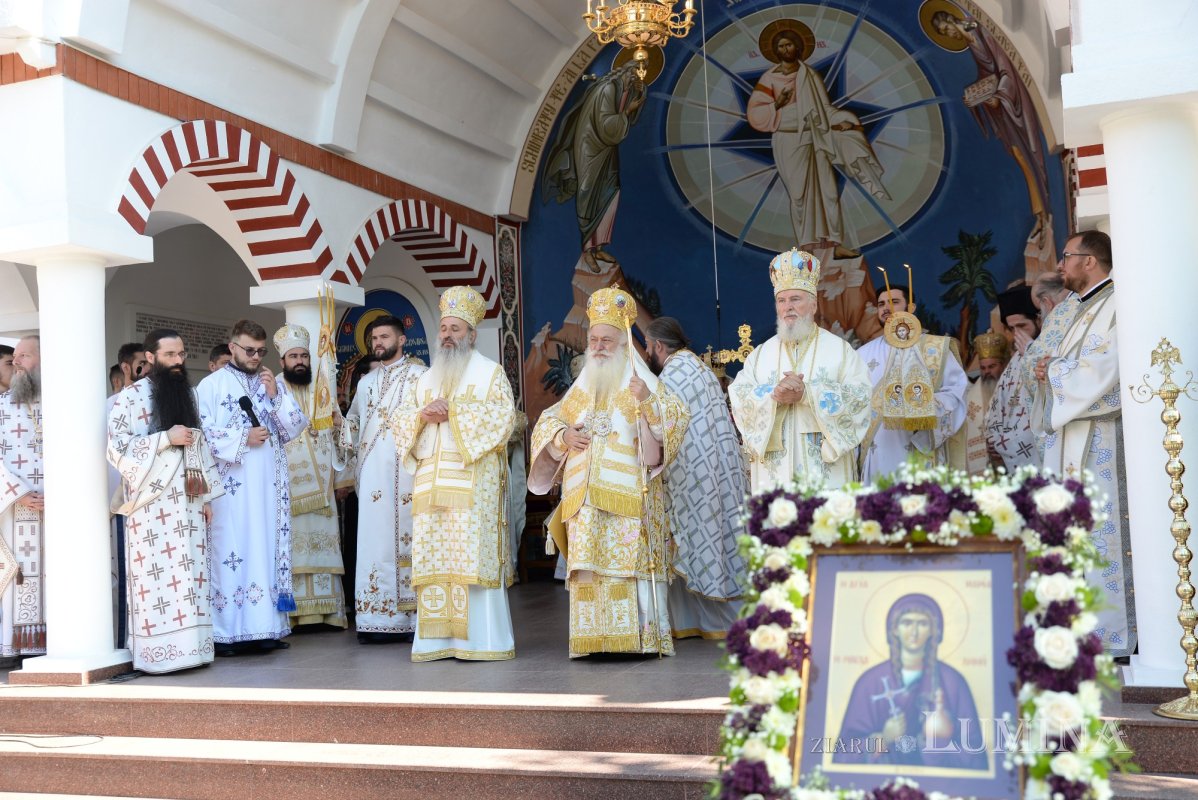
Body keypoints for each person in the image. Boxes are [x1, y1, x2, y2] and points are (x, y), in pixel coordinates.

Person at [529, 287, 689, 658]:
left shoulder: (642, 381)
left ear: (622, 343)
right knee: (589, 569)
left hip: (630, 499)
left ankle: (637, 641)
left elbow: (677, 418)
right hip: (584, 499)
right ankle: (594, 642)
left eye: (607, 340)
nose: (599, 347)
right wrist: (562, 435)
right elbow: (550, 420)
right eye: (594, 340)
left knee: (625, 568)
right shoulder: (583, 386)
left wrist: (648, 403)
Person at [391, 286, 518, 662]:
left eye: (455, 329)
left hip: (473, 487)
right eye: (444, 328)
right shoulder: (426, 378)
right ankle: (435, 641)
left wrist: (455, 414)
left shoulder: (491, 373)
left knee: (470, 564)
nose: (447, 335)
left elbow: (504, 419)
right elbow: (400, 421)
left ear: (472, 334)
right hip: (431, 487)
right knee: (435, 561)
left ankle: (483, 641)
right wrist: (420, 416)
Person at [1031, 231, 1134, 656]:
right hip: (1071, 435)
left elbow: (1105, 368)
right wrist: (1048, 369)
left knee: (1102, 533)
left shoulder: (1118, 304)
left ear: (1089, 261)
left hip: (1101, 440)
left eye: (1067, 257)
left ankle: (1112, 637)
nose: (1060, 266)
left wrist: (1053, 371)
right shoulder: (1079, 308)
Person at [107, 329, 224, 673]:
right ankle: (158, 654)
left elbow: (198, 444)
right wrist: (163, 439)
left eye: (182, 354)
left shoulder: (188, 394)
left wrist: (205, 497)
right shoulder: (130, 398)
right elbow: (117, 450)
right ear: (150, 358)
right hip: (151, 506)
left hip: (188, 501)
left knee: (191, 576)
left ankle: (194, 649)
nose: (178, 361)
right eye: (170, 355)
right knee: (157, 580)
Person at [196, 319, 307, 655]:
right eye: (249, 350)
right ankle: (227, 633)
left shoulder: (269, 383)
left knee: (264, 550)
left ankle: (266, 628)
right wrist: (243, 437)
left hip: (268, 489)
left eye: (261, 351)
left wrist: (275, 396)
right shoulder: (211, 385)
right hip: (231, 489)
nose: (256, 356)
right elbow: (201, 435)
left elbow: (295, 427)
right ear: (232, 348)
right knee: (233, 552)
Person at [729, 249, 872, 491]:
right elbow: (740, 397)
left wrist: (808, 394)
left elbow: (860, 398)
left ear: (814, 305)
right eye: (781, 300)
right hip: (775, 476)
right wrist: (774, 394)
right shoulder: (761, 355)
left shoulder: (840, 351)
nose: (788, 307)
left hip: (827, 476)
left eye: (796, 299)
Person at [746, 22, 890, 259]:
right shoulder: (769, 79)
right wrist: (777, 104)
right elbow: (755, 116)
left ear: (798, 47)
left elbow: (823, 109)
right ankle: (806, 246)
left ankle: (834, 245)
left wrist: (846, 120)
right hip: (788, 140)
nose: (785, 49)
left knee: (828, 192)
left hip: (815, 138)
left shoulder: (809, 75)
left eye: (789, 44)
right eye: (780, 46)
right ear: (774, 50)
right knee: (799, 195)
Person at [646, 317, 746, 639]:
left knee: (696, 544)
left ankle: (712, 623)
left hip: (694, 475)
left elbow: (662, 426)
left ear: (659, 346)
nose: (648, 352)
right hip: (717, 468)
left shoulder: (673, 375)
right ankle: (697, 622)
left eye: (648, 346)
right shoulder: (698, 368)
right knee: (718, 541)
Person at [337, 316, 426, 643]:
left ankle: (411, 618)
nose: (378, 342)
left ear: (401, 340)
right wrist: (337, 421)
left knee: (407, 539)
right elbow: (354, 425)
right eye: (374, 337)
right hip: (373, 475)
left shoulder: (421, 378)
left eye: (384, 336)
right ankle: (376, 618)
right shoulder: (366, 382)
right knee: (375, 542)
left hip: (406, 472)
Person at [928, 8, 1052, 243]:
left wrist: (997, 96)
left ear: (953, 20)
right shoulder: (972, 40)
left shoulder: (983, 30)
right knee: (1019, 156)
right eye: (944, 33)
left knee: (1029, 155)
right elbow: (988, 74)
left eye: (946, 29)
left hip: (1015, 105)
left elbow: (1006, 70)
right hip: (1003, 112)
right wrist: (975, 99)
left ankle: (1045, 213)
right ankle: (1039, 214)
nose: (948, 34)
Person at [835, 593, 986, 769]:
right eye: (906, 623)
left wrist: (936, 743)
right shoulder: (869, 682)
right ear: (894, 629)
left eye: (922, 623)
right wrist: (882, 739)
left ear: (933, 630)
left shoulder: (952, 682)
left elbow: (975, 757)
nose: (914, 632)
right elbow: (842, 754)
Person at [274, 324, 347, 630]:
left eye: (304, 355)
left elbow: (342, 430)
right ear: (283, 361)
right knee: (292, 548)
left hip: (325, 485)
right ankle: (295, 614)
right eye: (294, 356)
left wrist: (337, 425)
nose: (300, 361)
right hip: (288, 485)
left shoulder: (322, 387)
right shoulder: (274, 388)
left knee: (325, 545)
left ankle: (328, 613)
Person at [857, 284, 968, 482]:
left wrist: (925, 406)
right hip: (877, 452)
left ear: (911, 308)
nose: (886, 308)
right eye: (881, 304)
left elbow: (956, 393)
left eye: (894, 302)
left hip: (920, 445)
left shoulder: (934, 347)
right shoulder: (861, 355)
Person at [541, 61, 646, 264]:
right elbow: (606, 125)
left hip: (607, 150)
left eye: (642, 71)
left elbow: (625, 121)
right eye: (636, 70)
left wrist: (639, 99)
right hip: (590, 147)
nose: (638, 75)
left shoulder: (625, 89)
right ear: (626, 69)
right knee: (588, 192)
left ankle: (598, 247)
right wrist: (627, 111)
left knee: (611, 191)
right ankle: (587, 250)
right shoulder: (608, 89)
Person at [0, 335, 45, 656]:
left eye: (24, 356)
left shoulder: (64, 403)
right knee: (22, 574)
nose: (16, 362)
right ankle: (17, 648)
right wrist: (16, 494)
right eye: (14, 356)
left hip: (59, 509)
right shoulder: (0, 407)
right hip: (16, 510)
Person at [984, 286, 1039, 471]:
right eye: (1010, 328)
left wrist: (1009, 443)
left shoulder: (1048, 352)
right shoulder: (1014, 360)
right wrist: (993, 439)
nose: (1016, 334)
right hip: (1009, 449)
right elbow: (998, 403)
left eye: (1022, 326)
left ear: (1038, 319)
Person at [962, 330, 1009, 474]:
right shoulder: (970, 398)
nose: (987, 372)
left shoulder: (1012, 389)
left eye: (992, 366)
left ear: (1002, 365)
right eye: (983, 368)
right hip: (985, 467)